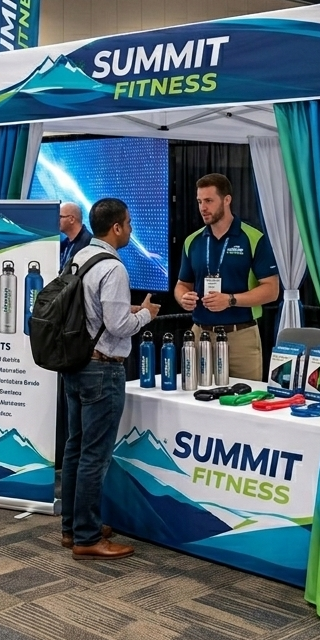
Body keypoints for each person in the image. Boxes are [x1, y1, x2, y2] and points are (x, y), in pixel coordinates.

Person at [62, 197, 159, 557]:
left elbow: (93, 312)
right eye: (129, 224)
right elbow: (118, 326)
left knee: (75, 448)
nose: (131, 231)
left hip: (75, 364)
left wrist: (127, 310)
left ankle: (72, 528)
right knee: (94, 456)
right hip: (102, 370)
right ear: (116, 227)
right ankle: (87, 538)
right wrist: (146, 314)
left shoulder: (79, 257)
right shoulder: (114, 268)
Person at [175, 174, 280, 380]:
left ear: (227, 200)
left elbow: (271, 289)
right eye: (199, 201)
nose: (203, 207)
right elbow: (181, 284)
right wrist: (183, 298)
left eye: (209, 201)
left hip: (240, 336)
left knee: (244, 402)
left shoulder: (252, 238)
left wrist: (230, 300)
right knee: (196, 401)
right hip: (200, 334)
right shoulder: (193, 241)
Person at [59, 202, 92, 269]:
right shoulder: (65, 244)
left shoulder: (88, 244)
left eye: (60, 217)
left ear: (71, 219)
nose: (56, 220)